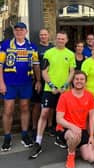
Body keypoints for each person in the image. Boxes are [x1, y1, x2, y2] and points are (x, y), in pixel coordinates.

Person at [29, 31, 76, 159]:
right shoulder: (49, 53)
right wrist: (53, 86)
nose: (60, 40)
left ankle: (60, 137)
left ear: (66, 40)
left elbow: (72, 72)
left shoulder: (70, 54)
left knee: (63, 116)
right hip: (50, 90)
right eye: (58, 38)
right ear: (55, 39)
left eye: (62, 39)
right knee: (44, 113)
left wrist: (65, 86)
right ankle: (38, 142)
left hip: (64, 91)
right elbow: (44, 71)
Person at [0, 22, 40, 151]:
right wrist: (1, 83)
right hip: (9, 83)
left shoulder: (31, 47)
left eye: (21, 30)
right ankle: (7, 136)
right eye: (17, 30)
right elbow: (0, 65)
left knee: (24, 108)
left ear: (26, 32)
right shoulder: (5, 45)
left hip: (26, 83)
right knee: (8, 110)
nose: (19, 32)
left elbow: (36, 65)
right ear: (14, 32)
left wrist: (38, 80)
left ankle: (24, 134)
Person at [56, 70, 94, 168]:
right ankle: (71, 155)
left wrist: (91, 136)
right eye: (77, 79)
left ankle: (75, 147)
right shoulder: (64, 96)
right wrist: (73, 127)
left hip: (82, 130)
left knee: (91, 158)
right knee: (74, 135)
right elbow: (59, 119)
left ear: (85, 82)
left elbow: (91, 117)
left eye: (82, 79)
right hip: (65, 129)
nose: (79, 81)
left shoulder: (90, 95)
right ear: (73, 81)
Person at [31, 28, 54, 139]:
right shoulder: (35, 48)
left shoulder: (53, 48)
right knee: (37, 105)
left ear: (48, 35)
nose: (43, 36)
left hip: (51, 81)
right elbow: (35, 65)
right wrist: (38, 80)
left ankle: (49, 126)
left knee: (50, 106)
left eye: (45, 34)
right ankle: (35, 128)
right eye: (41, 35)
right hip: (39, 81)